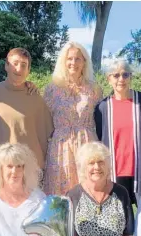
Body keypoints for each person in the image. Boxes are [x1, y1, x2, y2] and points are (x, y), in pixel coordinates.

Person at [94, 59, 141, 204]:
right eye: (116, 75)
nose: (121, 79)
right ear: (109, 79)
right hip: (114, 174)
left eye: (125, 75)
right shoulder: (102, 107)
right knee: (120, 221)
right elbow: (99, 140)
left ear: (131, 77)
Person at [43, 41, 103, 195]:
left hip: (87, 144)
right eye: (69, 58)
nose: (73, 63)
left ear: (84, 62)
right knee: (60, 193)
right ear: (63, 61)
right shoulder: (52, 89)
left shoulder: (95, 89)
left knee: (89, 189)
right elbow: (44, 120)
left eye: (78, 59)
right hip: (60, 147)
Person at [0, 47, 53, 169]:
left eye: (23, 65)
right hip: (0, 166)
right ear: (6, 66)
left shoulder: (35, 97)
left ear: (28, 70)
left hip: (30, 168)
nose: (18, 69)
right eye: (14, 64)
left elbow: (46, 135)